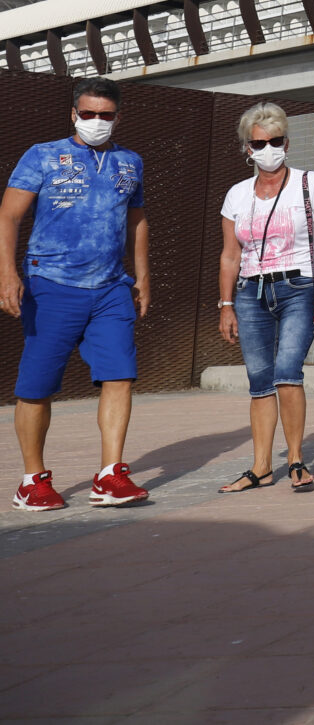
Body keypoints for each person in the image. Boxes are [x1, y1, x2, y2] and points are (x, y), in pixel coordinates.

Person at [2, 79, 152, 510]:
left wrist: (142, 277)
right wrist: (6, 275)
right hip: (51, 283)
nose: (97, 122)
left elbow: (136, 222)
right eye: (88, 114)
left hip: (110, 287)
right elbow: (8, 216)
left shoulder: (130, 162)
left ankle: (110, 474)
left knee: (120, 375)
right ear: (74, 114)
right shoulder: (42, 155)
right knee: (37, 385)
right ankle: (32, 481)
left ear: (118, 117)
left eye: (106, 115)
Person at [216, 102, 314, 494]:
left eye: (276, 141)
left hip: (300, 287)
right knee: (259, 380)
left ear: (286, 143)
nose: (268, 149)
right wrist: (226, 304)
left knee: (287, 372)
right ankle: (260, 467)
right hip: (249, 292)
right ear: (247, 148)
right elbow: (229, 254)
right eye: (260, 143)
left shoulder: (309, 183)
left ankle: (295, 459)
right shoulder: (237, 195)